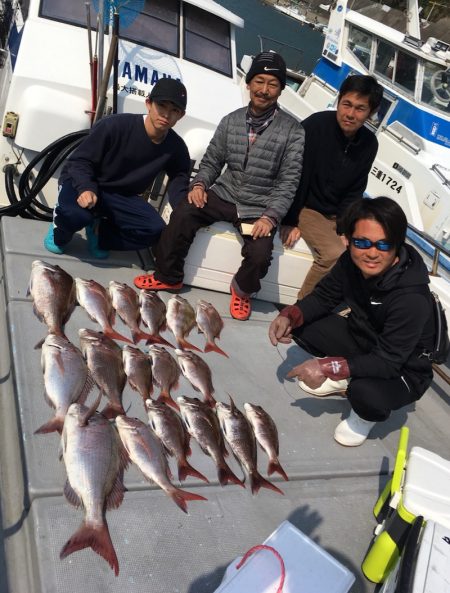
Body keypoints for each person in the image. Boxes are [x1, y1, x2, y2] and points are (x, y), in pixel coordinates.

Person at [133, 51, 305, 321]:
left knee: (260, 254)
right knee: (184, 211)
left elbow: (288, 181)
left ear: (281, 90)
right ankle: (168, 276)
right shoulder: (231, 120)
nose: (264, 90)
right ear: (248, 84)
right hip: (225, 192)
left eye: (273, 84)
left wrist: (270, 217)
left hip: (258, 205)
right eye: (259, 81)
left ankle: (242, 290)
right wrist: (200, 184)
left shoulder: (294, 131)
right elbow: (212, 160)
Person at [269, 197, 435, 447]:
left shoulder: (412, 298)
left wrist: (328, 367)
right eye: (362, 242)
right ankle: (347, 375)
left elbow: (388, 362)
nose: (371, 252)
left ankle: (364, 416)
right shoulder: (350, 262)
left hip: (402, 369)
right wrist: (289, 314)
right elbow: (323, 298)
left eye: (383, 245)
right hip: (365, 340)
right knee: (301, 324)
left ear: (397, 246)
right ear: (349, 240)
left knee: (365, 393)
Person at [44, 78, 191, 258]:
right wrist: (86, 187)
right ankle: (60, 229)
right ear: (148, 104)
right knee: (74, 218)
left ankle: (99, 234)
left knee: (155, 230)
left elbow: (179, 178)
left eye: (174, 110)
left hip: (120, 195)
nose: (166, 115)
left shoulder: (177, 147)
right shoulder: (114, 125)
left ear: (181, 116)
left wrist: (184, 209)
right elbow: (79, 161)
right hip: (83, 182)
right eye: (162, 105)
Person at [281, 74, 383, 298]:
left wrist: (346, 227)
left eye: (360, 108)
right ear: (339, 101)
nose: (350, 114)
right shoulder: (316, 126)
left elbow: (355, 189)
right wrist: (290, 219)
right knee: (334, 254)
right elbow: (295, 175)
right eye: (346, 104)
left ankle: (349, 304)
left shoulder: (369, 143)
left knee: (373, 250)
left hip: (336, 214)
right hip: (306, 207)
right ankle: (301, 309)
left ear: (371, 113)